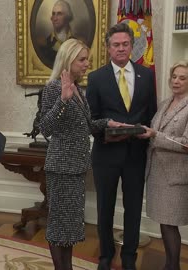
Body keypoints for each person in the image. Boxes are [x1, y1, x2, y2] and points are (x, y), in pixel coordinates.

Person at [38, 38, 126, 270]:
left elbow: (84, 125)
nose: (87, 64)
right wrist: (63, 101)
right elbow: (45, 127)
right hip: (61, 168)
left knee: (69, 227)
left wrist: (108, 123)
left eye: (87, 59)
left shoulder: (78, 88)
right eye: (82, 59)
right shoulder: (54, 88)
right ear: (68, 60)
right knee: (59, 226)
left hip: (77, 167)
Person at [86, 23, 157, 270]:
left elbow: (152, 115)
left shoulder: (147, 76)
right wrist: (109, 129)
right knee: (105, 208)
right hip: (106, 153)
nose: (121, 49)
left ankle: (129, 259)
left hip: (136, 154)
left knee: (134, 209)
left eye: (125, 44)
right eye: (116, 45)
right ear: (108, 49)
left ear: (131, 45)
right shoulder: (95, 78)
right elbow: (91, 120)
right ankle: (105, 257)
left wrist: (146, 133)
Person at [138, 60, 188, 270]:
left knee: (170, 224)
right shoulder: (165, 103)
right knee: (164, 222)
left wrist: (154, 135)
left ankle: (172, 266)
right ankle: (170, 264)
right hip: (157, 173)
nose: (176, 81)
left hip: (176, 176)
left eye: (182, 78)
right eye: (174, 76)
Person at [39, 0, 75, 69]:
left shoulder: (76, 43)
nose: (55, 18)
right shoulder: (45, 44)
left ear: (67, 17)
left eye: (59, 14)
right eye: (53, 14)